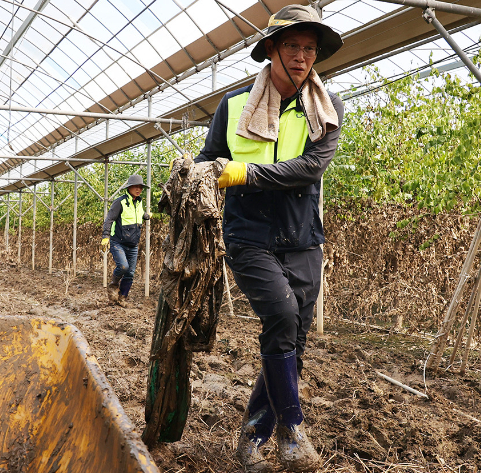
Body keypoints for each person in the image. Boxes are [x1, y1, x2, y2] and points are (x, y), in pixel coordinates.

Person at [193, 5, 344, 472]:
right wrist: (194, 178)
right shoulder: (234, 106)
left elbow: (309, 169)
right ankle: (292, 430)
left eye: (309, 49)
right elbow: (208, 160)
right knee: (280, 314)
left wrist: (247, 173)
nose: (302, 57)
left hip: (302, 238)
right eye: (292, 46)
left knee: (293, 339)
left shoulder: (327, 107)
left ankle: (252, 436)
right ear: (271, 50)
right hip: (249, 235)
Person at [101, 174, 150, 307]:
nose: (138, 189)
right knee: (123, 266)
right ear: (129, 188)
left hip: (133, 244)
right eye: (135, 186)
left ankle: (122, 298)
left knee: (130, 274)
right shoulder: (120, 202)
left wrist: (146, 216)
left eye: (140, 187)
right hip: (118, 242)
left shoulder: (139, 202)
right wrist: (105, 236)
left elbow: (138, 214)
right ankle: (113, 285)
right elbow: (109, 219)